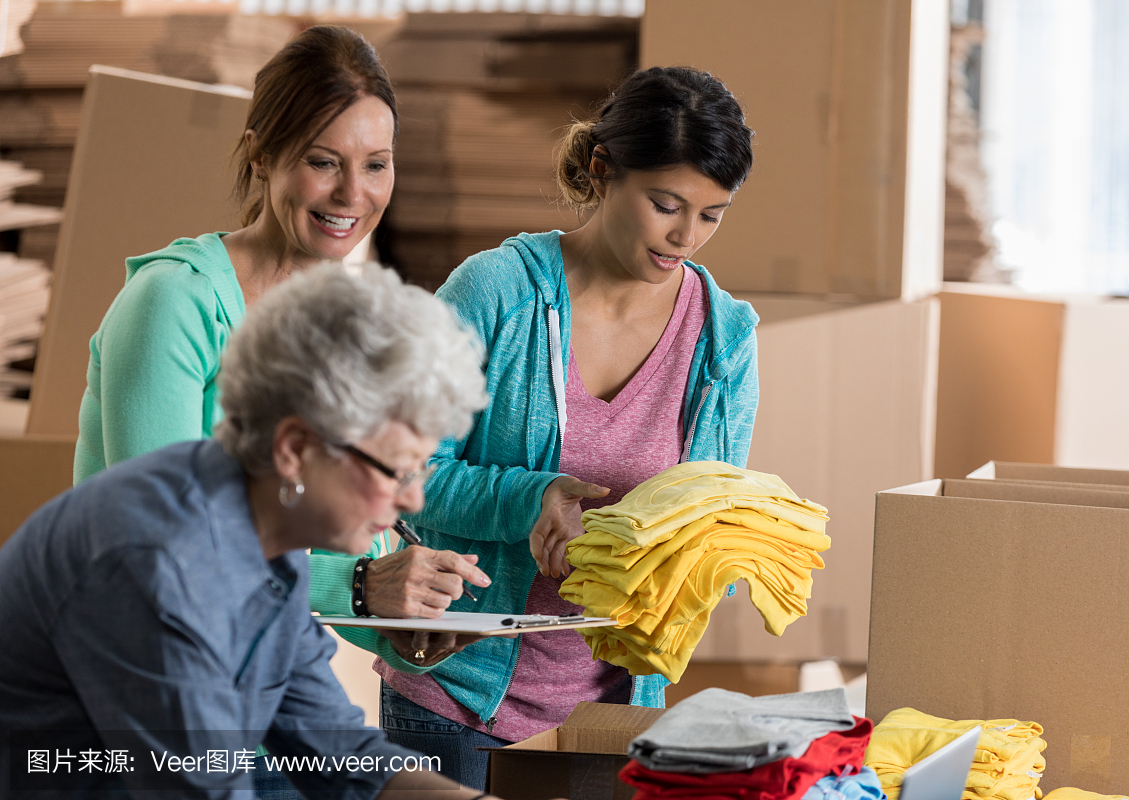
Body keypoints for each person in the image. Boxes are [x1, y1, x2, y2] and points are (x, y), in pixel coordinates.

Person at [321, 66, 761, 788]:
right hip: (456, 701)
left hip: (616, 717)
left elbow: (715, 524)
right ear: (603, 168)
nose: (685, 236)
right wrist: (531, 497)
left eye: (711, 215)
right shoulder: (492, 292)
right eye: (665, 204)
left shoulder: (724, 338)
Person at [0, 263, 501, 799]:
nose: (413, 500)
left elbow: (342, 757)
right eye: (397, 471)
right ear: (294, 449)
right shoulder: (158, 562)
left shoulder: (265, 545)